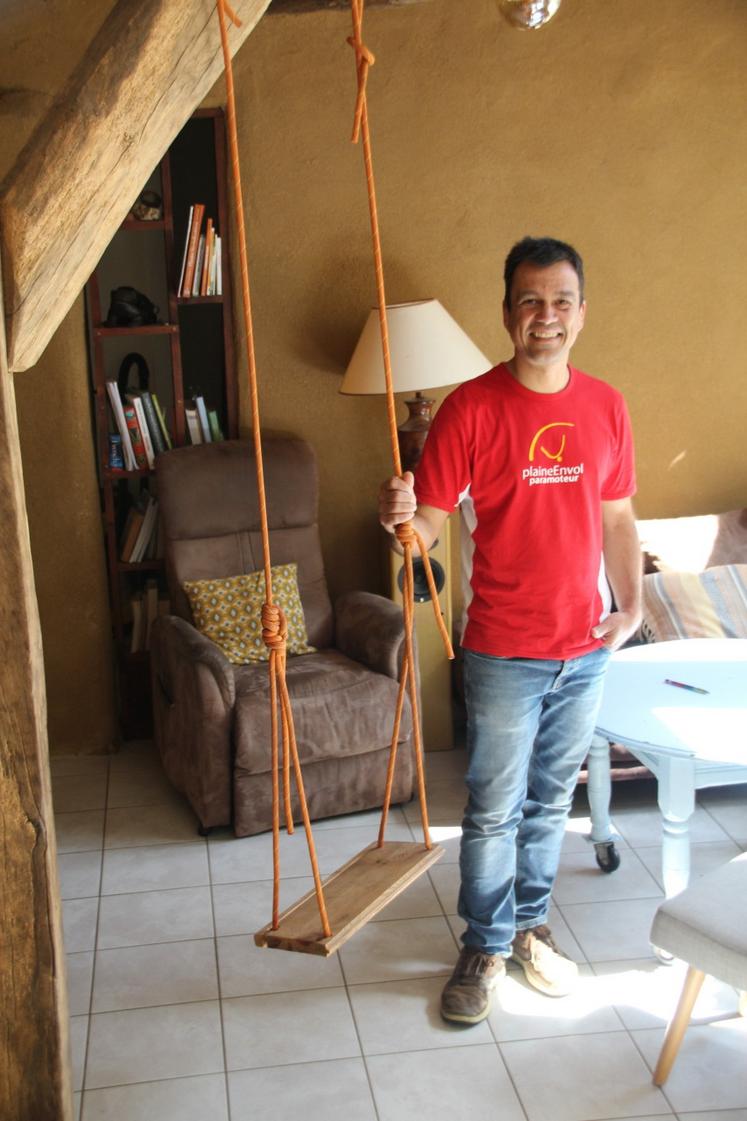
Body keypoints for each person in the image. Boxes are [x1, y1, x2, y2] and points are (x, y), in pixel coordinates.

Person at [379, 236, 641, 1025]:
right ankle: (484, 943)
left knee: (550, 802)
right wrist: (404, 522)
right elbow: (428, 518)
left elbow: (618, 515)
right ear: (507, 313)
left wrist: (628, 610)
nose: (545, 316)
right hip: (501, 649)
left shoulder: (605, 406)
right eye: (530, 301)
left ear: (581, 313)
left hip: (584, 648)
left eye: (560, 301)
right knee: (492, 807)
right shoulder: (470, 407)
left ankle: (529, 927)